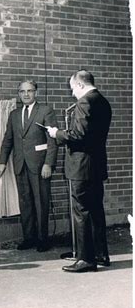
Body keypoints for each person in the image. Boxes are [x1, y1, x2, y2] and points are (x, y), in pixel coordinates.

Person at [47, 70, 112, 273]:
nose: (72, 93)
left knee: (81, 211)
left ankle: (85, 259)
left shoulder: (84, 102)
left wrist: (56, 133)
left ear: (81, 85)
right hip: (96, 165)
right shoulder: (103, 101)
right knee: (95, 211)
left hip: (81, 167)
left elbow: (78, 135)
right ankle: (101, 254)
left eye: (73, 88)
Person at [0, 80, 58, 252]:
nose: (26, 94)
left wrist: (48, 164)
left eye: (30, 91)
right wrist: (1, 162)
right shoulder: (14, 114)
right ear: (19, 93)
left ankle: (42, 239)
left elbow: (52, 141)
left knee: (41, 203)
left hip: (39, 166)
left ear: (36, 92)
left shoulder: (45, 111)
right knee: (25, 204)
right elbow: (8, 140)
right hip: (20, 165)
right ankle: (28, 238)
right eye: (22, 91)